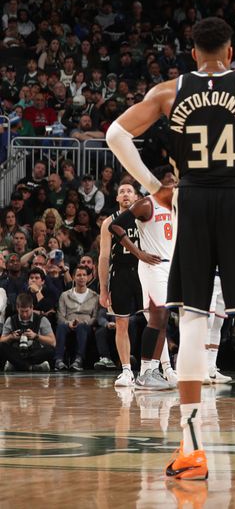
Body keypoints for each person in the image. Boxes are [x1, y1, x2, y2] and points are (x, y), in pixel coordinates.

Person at [106, 17, 235, 480]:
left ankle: (191, 448)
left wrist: (156, 185)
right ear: (231, 52)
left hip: (191, 199)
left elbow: (116, 135)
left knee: (194, 318)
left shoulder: (168, 92)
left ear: (193, 53)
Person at [110, 166, 179, 391]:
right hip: (152, 267)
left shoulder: (175, 205)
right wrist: (138, 252)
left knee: (163, 319)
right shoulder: (147, 203)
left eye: (175, 180)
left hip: (169, 267)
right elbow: (115, 225)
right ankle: (145, 373)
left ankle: (153, 369)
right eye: (169, 180)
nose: (174, 184)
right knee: (157, 317)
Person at [98, 182, 142, 387]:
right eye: (121, 191)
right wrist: (103, 289)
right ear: (116, 198)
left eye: (129, 191)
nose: (125, 194)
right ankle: (126, 370)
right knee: (121, 324)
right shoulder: (109, 221)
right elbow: (104, 257)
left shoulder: (144, 218)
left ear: (136, 197)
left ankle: (157, 369)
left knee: (155, 320)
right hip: (120, 274)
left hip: (144, 272)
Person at [53, 265, 99, 371]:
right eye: (79, 275)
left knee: (82, 326)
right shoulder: (65, 295)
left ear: (88, 277)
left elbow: (95, 317)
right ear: (73, 277)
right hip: (68, 323)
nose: (81, 277)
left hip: (86, 325)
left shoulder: (95, 296)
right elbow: (60, 315)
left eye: (84, 275)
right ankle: (58, 360)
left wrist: (85, 322)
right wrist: (68, 323)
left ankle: (78, 360)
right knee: (61, 326)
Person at [0, 293, 55, 371]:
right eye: (22, 311)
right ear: (17, 308)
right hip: (17, 352)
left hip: (35, 353)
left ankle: (18, 365)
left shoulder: (42, 320)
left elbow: (53, 342)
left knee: (50, 350)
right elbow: (1, 340)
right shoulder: (11, 320)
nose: (25, 314)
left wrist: (36, 336)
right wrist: (11, 337)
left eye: (27, 311)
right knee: (1, 346)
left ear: (32, 307)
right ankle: (32, 367)